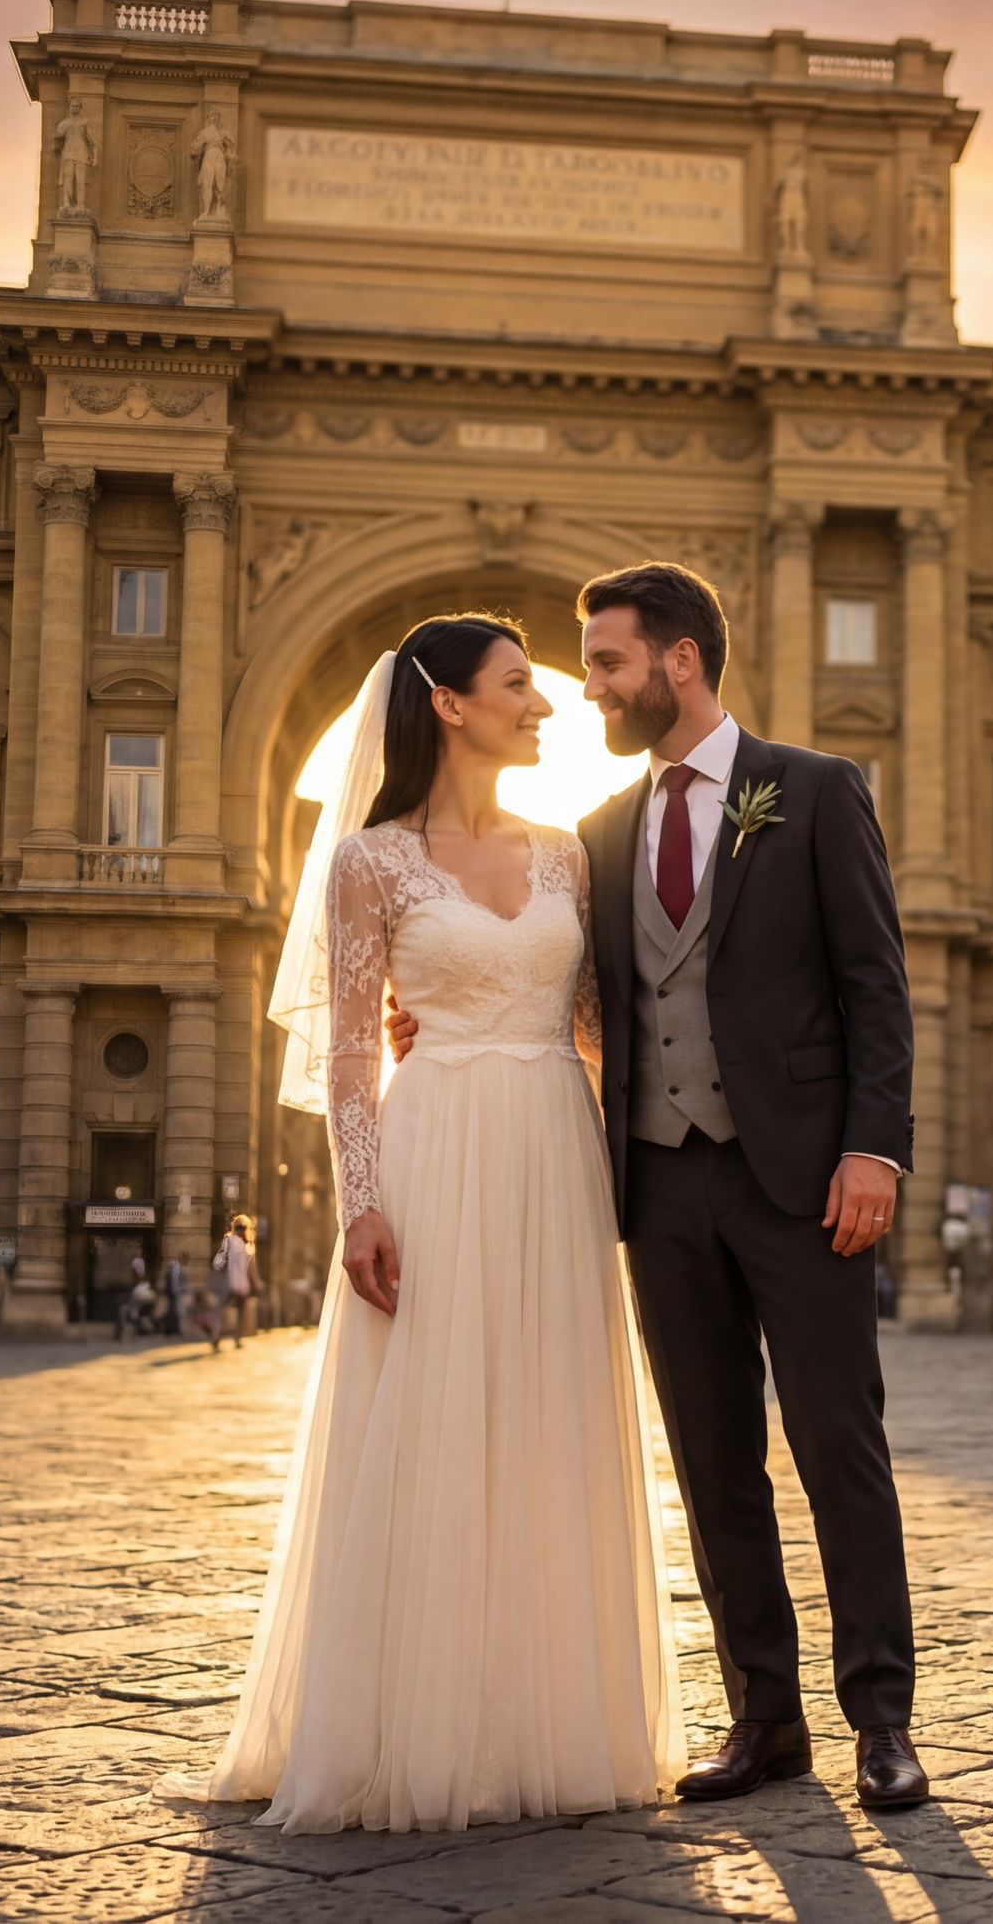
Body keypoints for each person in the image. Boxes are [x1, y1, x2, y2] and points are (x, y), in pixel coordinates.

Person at [387, 564, 923, 1810]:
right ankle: (764, 1717)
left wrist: (874, 1148)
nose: (590, 689)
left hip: (807, 1180)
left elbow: (877, 987)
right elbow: (574, 999)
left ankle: (883, 1722)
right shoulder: (599, 836)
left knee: (839, 1446)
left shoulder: (816, 791)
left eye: (608, 663)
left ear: (680, 661)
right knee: (713, 1458)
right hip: (658, 1185)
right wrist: (438, 1020)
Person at [201, 613, 679, 1834]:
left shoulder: (567, 856)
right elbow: (354, 1055)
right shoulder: (369, 864)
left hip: (553, 1152)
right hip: (432, 1153)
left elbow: (594, 1024)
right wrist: (361, 1203)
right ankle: (406, 1726)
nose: (547, 702)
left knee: (548, 1419)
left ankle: (545, 1719)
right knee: (429, 1418)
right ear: (450, 705)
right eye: (521, 684)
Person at [213, 1215, 257, 1350]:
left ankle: (220, 1337)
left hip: (233, 1283)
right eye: (240, 1227)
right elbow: (251, 1269)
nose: (241, 1230)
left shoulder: (231, 1241)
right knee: (236, 1313)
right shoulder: (247, 1245)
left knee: (224, 1311)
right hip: (238, 1284)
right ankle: (233, 1339)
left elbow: (219, 1262)